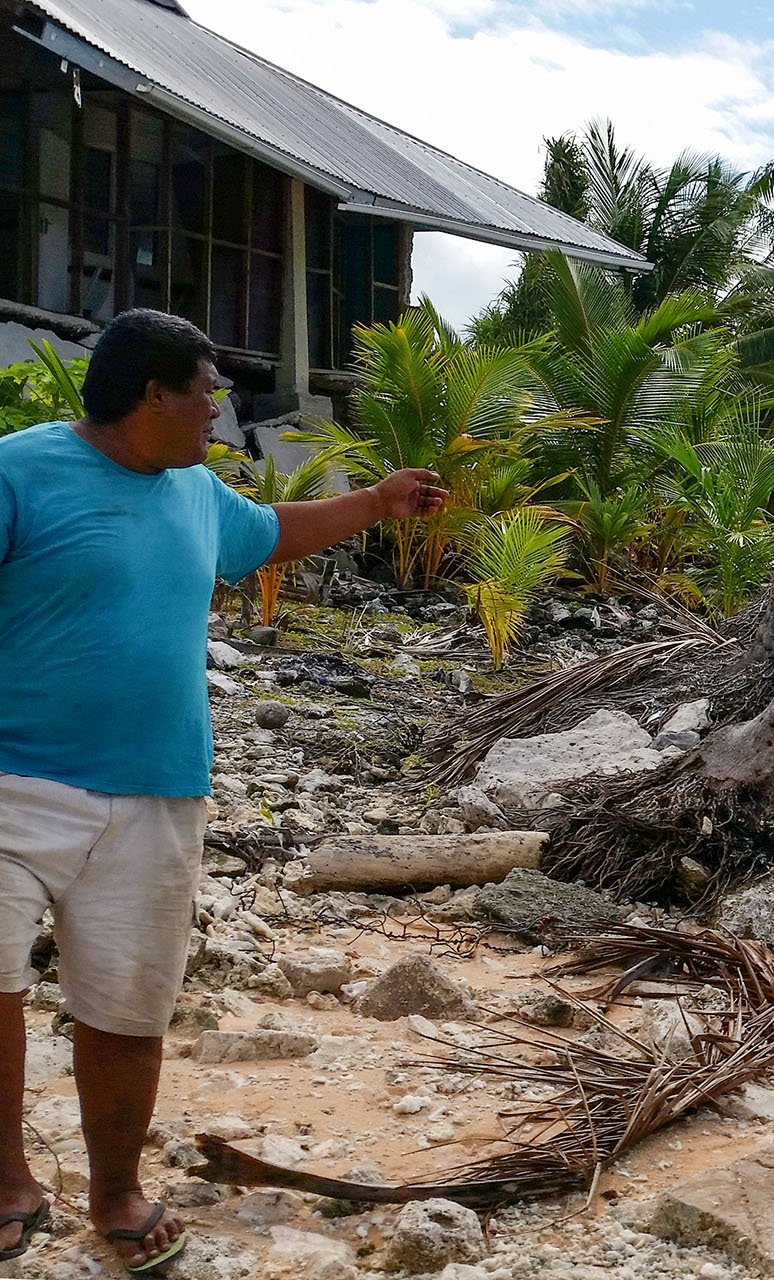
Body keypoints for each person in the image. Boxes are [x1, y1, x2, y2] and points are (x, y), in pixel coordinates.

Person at [0, 309, 447, 1271]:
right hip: (11, 778)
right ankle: (5, 1179)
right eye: (208, 388)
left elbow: (272, 532)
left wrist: (377, 501)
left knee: (128, 1006)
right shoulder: (17, 469)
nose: (220, 408)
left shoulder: (197, 491)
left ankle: (115, 1191)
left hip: (159, 790)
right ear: (153, 393)